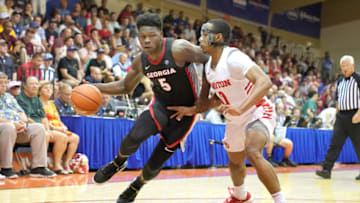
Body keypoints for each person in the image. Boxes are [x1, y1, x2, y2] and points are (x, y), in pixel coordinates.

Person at [92, 13, 208, 203]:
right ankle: (118, 162)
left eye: (151, 35)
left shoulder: (179, 48)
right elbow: (125, 87)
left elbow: (211, 60)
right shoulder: (141, 60)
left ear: (161, 34)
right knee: (133, 138)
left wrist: (201, 103)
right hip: (161, 105)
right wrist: (94, 87)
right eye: (142, 36)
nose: (146, 40)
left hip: (185, 114)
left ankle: (136, 185)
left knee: (153, 165)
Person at [168, 19, 286, 203]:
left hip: (257, 109)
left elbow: (265, 82)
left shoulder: (233, 58)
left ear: (218, 37)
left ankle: (280, 200)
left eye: (205, 34)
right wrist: (189, 110)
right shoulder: (207, 66)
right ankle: (241, 197)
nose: (200, 38)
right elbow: (211, 101)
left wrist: (241, 107)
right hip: (235, 117)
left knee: (253, 152)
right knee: (235, 161)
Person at [0, 72, 56, 178]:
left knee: (39, 128)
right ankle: (6, 168)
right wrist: (12, 123)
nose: (3, 85)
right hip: (4, 128)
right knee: (9, 127)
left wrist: (23, 123)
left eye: (5, 82)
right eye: (0, 83)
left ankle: (38, 168)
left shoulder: (9, 97)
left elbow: (21, 112)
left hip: (18, 129)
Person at [316, 55, 360, 180]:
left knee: (359, 144)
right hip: (341, 117)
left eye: (347, 65)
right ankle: (326, 170)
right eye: (342, 66)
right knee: (334, 143)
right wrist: (336, 115)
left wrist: (359, 114)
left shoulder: (358, 78)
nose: (344, 68)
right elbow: (338, 100)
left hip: (355, 115)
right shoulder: (340, 81)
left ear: (352, 65)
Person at [16, 76, 69, 175]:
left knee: (62, 137)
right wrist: (42, 129)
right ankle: (40, 166)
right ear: (25, 86)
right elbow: (26, 118)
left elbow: (43, 118)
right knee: (45, 134)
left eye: (36, 84)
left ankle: (57, 166)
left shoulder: (36, 99)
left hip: (40, 128)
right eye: (32, 84)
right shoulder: (20, 98)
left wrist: (47, 129)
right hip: (28, 128)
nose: (34, 86)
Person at [38, 80, 80, 174]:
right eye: (46, 88)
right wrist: (56, 128)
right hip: (48, 128)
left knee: (75, 138)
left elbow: (58, 119)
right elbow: (43, 120)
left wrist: (63, 126)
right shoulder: (38, 103)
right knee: (62, 137)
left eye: (50, 88)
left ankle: (66, 163)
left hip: (57, 127)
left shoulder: (52, 104)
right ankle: (57, 165)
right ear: (39, 91)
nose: (49, 90)